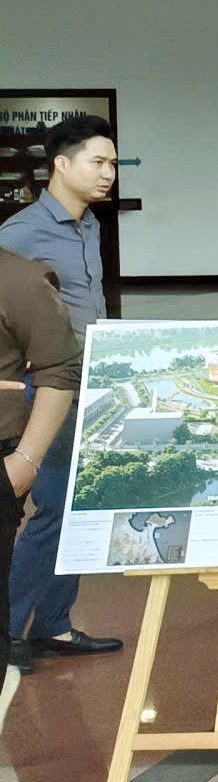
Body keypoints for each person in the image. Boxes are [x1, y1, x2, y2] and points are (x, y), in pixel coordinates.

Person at [0, 115, 122, 664]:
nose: (108, 172)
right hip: (48, 389)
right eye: (98, 161)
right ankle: (12, 630)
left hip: (90, 385)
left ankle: (52, 624)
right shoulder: (21, 233)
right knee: (51, 509)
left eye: (113, 163)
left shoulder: (88, 224)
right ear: (62, 164)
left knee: (76, 508)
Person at [0, 245, 81, 680]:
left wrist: (26, 460)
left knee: (61, 512)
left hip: (8, 453)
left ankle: (44, 624)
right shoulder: (27, 234)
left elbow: (58, 367)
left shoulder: (18, 277)